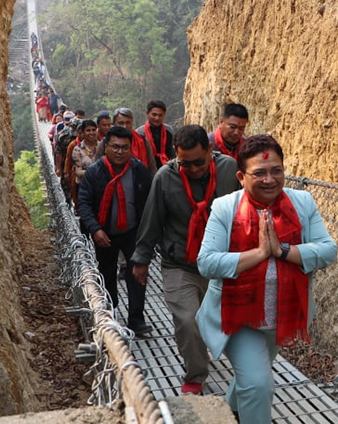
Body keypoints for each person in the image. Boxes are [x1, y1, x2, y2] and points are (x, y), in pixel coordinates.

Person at [196, 135, 338, 422]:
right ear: (241, 176)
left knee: (252, 378)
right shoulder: (225, 208)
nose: (270, 179)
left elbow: (328, 250)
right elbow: (206, 262)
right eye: (259, 172)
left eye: (276, 170)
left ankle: (228, 411)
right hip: (237, 315)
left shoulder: (302, 203)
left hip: (279, 314)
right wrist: (261, 253)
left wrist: (283, 250)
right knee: (259, 383)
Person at [132, 125, 240, 394]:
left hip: (220, 262)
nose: (192, 169)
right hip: (180, 261)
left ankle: (240, 373)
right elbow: (152, 219)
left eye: (198, 162)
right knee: (188, 320)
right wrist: (141, 259)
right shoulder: (165, 178)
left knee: (220, 320)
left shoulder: (229, 170)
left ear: (210, 151)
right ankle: (195, 373)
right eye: (185, 163)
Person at [78, 126, 153, 336]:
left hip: (132, 232)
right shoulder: (95, 172)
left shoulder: (138, 170)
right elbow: (83, 203)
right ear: (106, 147)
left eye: (124, 148)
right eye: (115, 147)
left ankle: (136, 320)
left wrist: (148, 237)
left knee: (137, 275)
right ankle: (111, 316)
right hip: (105, 234)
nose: (120, 152)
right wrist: (95, 230)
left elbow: (149, 203)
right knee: (107, 274)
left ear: (130, 149)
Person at [109, 107, 156, 173]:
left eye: (128, 123)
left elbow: (152, 167)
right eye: (121, 123)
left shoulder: (143, 140)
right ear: (114, 124)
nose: (125, 126)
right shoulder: (106, 142)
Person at [136, 100, 175, 169]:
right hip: (146, 169)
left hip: (166, 167)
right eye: (154, 115)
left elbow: (172, 152)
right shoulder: (140, 133)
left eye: (160, 115)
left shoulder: (169, 131)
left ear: (164, 115)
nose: (157, 118)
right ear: (147, 113)